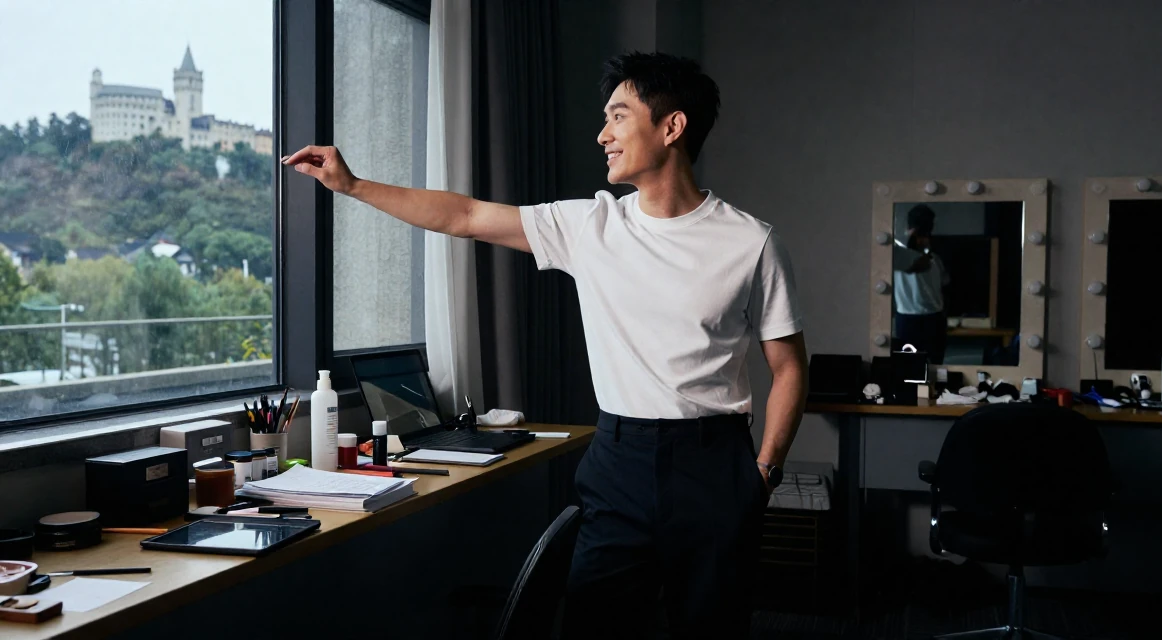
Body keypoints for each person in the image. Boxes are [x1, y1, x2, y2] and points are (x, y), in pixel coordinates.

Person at [283, 51, 807, 639]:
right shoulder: (590, 225)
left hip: (714, 465)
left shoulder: (751, 242)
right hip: (618, 458)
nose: (602, 135)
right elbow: (464, 215)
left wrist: (763, 471)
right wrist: (351, 186)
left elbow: (788, 368)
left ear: (672, 126)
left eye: (618, 116)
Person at [893, 204, 949, 364]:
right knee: (924, 365)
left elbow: (944, 284)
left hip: (922, 318)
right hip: (920, 318)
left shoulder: (933, 259)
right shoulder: (897, 252)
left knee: (916, 366)